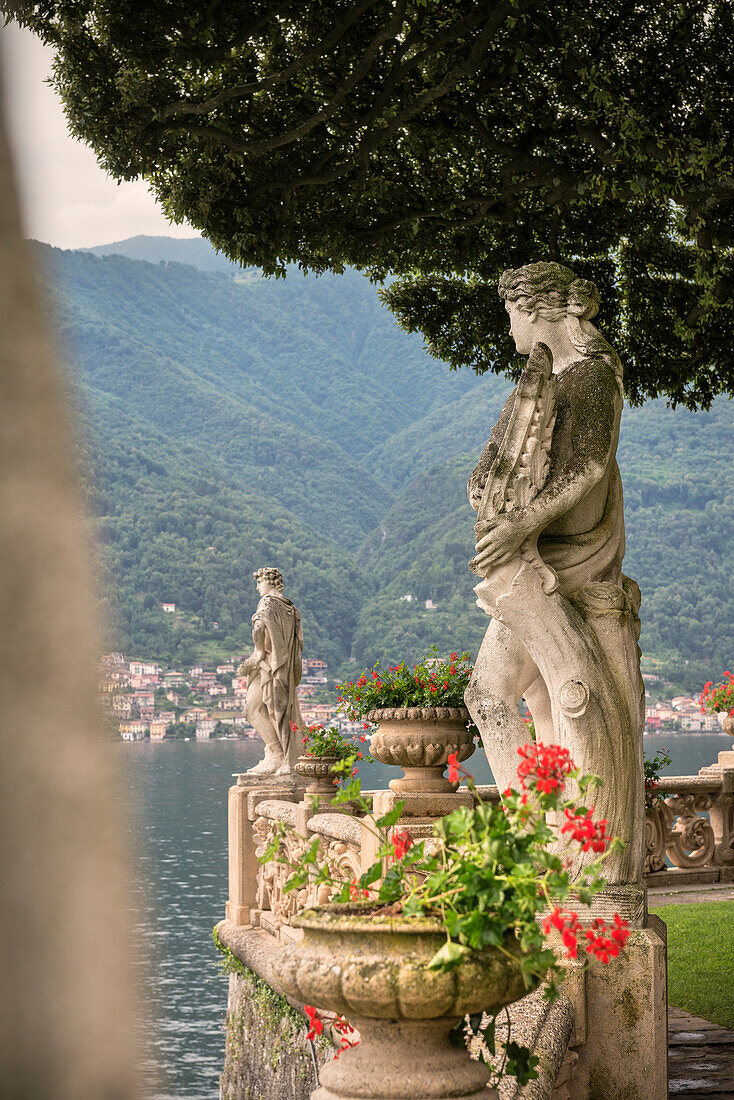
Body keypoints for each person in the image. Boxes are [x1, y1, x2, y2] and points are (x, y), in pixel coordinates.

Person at [465, 261, 627, 791]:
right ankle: (552, 817)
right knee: (539, 696)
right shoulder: (554, 381)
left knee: (489, 694)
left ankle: (532, 824)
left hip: (561, 555)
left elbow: (589, 466)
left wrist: (517, 528)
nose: (509, 328)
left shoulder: (590, 375)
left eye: (511, 314)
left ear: (535, 311)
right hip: (543, 551)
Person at [238, 567, 304, 775]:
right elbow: (297, 642)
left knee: (255, 709)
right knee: (275, 710)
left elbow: (259, 629)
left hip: (267, 664)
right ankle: (278, 753)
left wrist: (257, 654)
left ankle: (276, 753)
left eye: (259, 583)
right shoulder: (291, 609)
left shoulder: (267, 602)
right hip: (282, 666)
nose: (258, 588)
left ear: (270, 582)